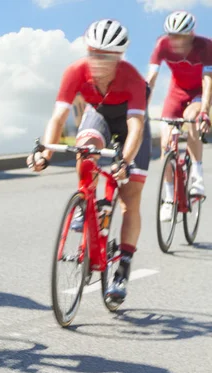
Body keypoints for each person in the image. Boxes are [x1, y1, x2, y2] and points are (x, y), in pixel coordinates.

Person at [27, 19, 151, 305]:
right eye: (93, 52)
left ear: (119, 57)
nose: (98, 61)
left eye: (106, 56)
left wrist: (125, 161)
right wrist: (45, 153)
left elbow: (135, 126)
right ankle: (86, 202)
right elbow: (58, 118)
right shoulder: (75, 72)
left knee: (130, 198)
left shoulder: (132, 78)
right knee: (85, 147)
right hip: (100, 116)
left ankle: (122, 270)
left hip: (131, 127)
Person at [147, 11, 212, 221]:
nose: (176, 42)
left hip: (198, 93)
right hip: (176, 93)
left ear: (191, 35)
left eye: (181, 37)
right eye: (173, 36)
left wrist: (205, 111)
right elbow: (151, 79)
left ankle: (197, 176)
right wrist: (140, 111)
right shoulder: (162, 45)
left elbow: (208, 80)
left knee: (191, 118)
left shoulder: (205, 46)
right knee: (166, 144)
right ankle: (168, 198)